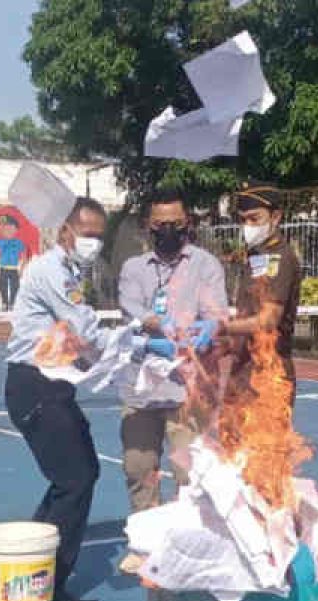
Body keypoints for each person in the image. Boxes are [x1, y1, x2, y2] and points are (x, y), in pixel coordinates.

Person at [4, 197, 117, 601]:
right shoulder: (53, 271)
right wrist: (133, 342)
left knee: (79, 474)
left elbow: (77, 342)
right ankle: (47, 584)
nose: (94, 243)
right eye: (87, 234)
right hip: (36, 386)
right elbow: (83, 328)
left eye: (99, 236)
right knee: (75, 479)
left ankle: (36, 568)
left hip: (52, 385)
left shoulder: (67, 270)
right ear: (65, 231)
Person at [116, 188, 227, 572]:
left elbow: (215, 310)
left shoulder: (205, 264)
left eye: (175, 224)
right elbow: (131, 307)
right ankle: (146, 546)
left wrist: (207, 326)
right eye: (160, 224)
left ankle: (186, 546)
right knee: (139, 466)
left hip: (189, 385)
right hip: (142, 385)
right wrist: (160, 326)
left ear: (188, 224)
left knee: (189, 470)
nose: (167, 230)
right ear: (148, 226)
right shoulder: (133, 268)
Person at [218, 181, 303, 407]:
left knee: (263, 441)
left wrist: (221, 326)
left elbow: (268, 320)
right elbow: (247, 316)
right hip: (242, 371)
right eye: (243, 219)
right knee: (230, 440)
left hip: (268, 374)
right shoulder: (254, 257)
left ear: (275, 217)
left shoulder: (279, 258)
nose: (248, 226)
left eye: (254, 219)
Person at [0, 214, 29, 311]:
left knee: (15, 287)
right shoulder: (1, 242)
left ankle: (13, 304)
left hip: (14, 269)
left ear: (16, 230)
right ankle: (5, 304)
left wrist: (22, 269)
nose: (8, 231)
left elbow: (24, 256)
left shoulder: (18, 242)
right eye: (5, 229)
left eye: (11, 228)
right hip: (3, 269)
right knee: (2, 286)